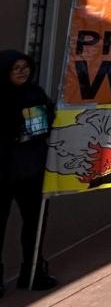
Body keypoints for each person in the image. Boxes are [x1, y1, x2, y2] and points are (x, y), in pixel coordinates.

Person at [0, 51, 57, 293]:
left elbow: (42, 128)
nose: (22, 71)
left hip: (31, 169)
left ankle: (32, 272)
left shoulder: (34, 94)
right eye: (16, 68)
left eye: (25, 67)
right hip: (2, 171)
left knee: (34, 223)